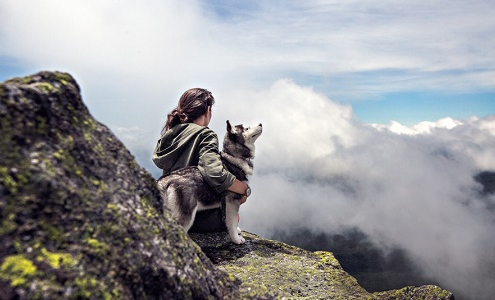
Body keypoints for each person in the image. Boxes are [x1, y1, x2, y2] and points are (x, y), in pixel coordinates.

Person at [152, 88, 249, 233]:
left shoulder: (170, 135)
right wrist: (244, 189)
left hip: (171, 213)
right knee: (234, 213)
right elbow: (214, 172)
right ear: (208, 110)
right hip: (198, 219)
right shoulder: (205, 135)